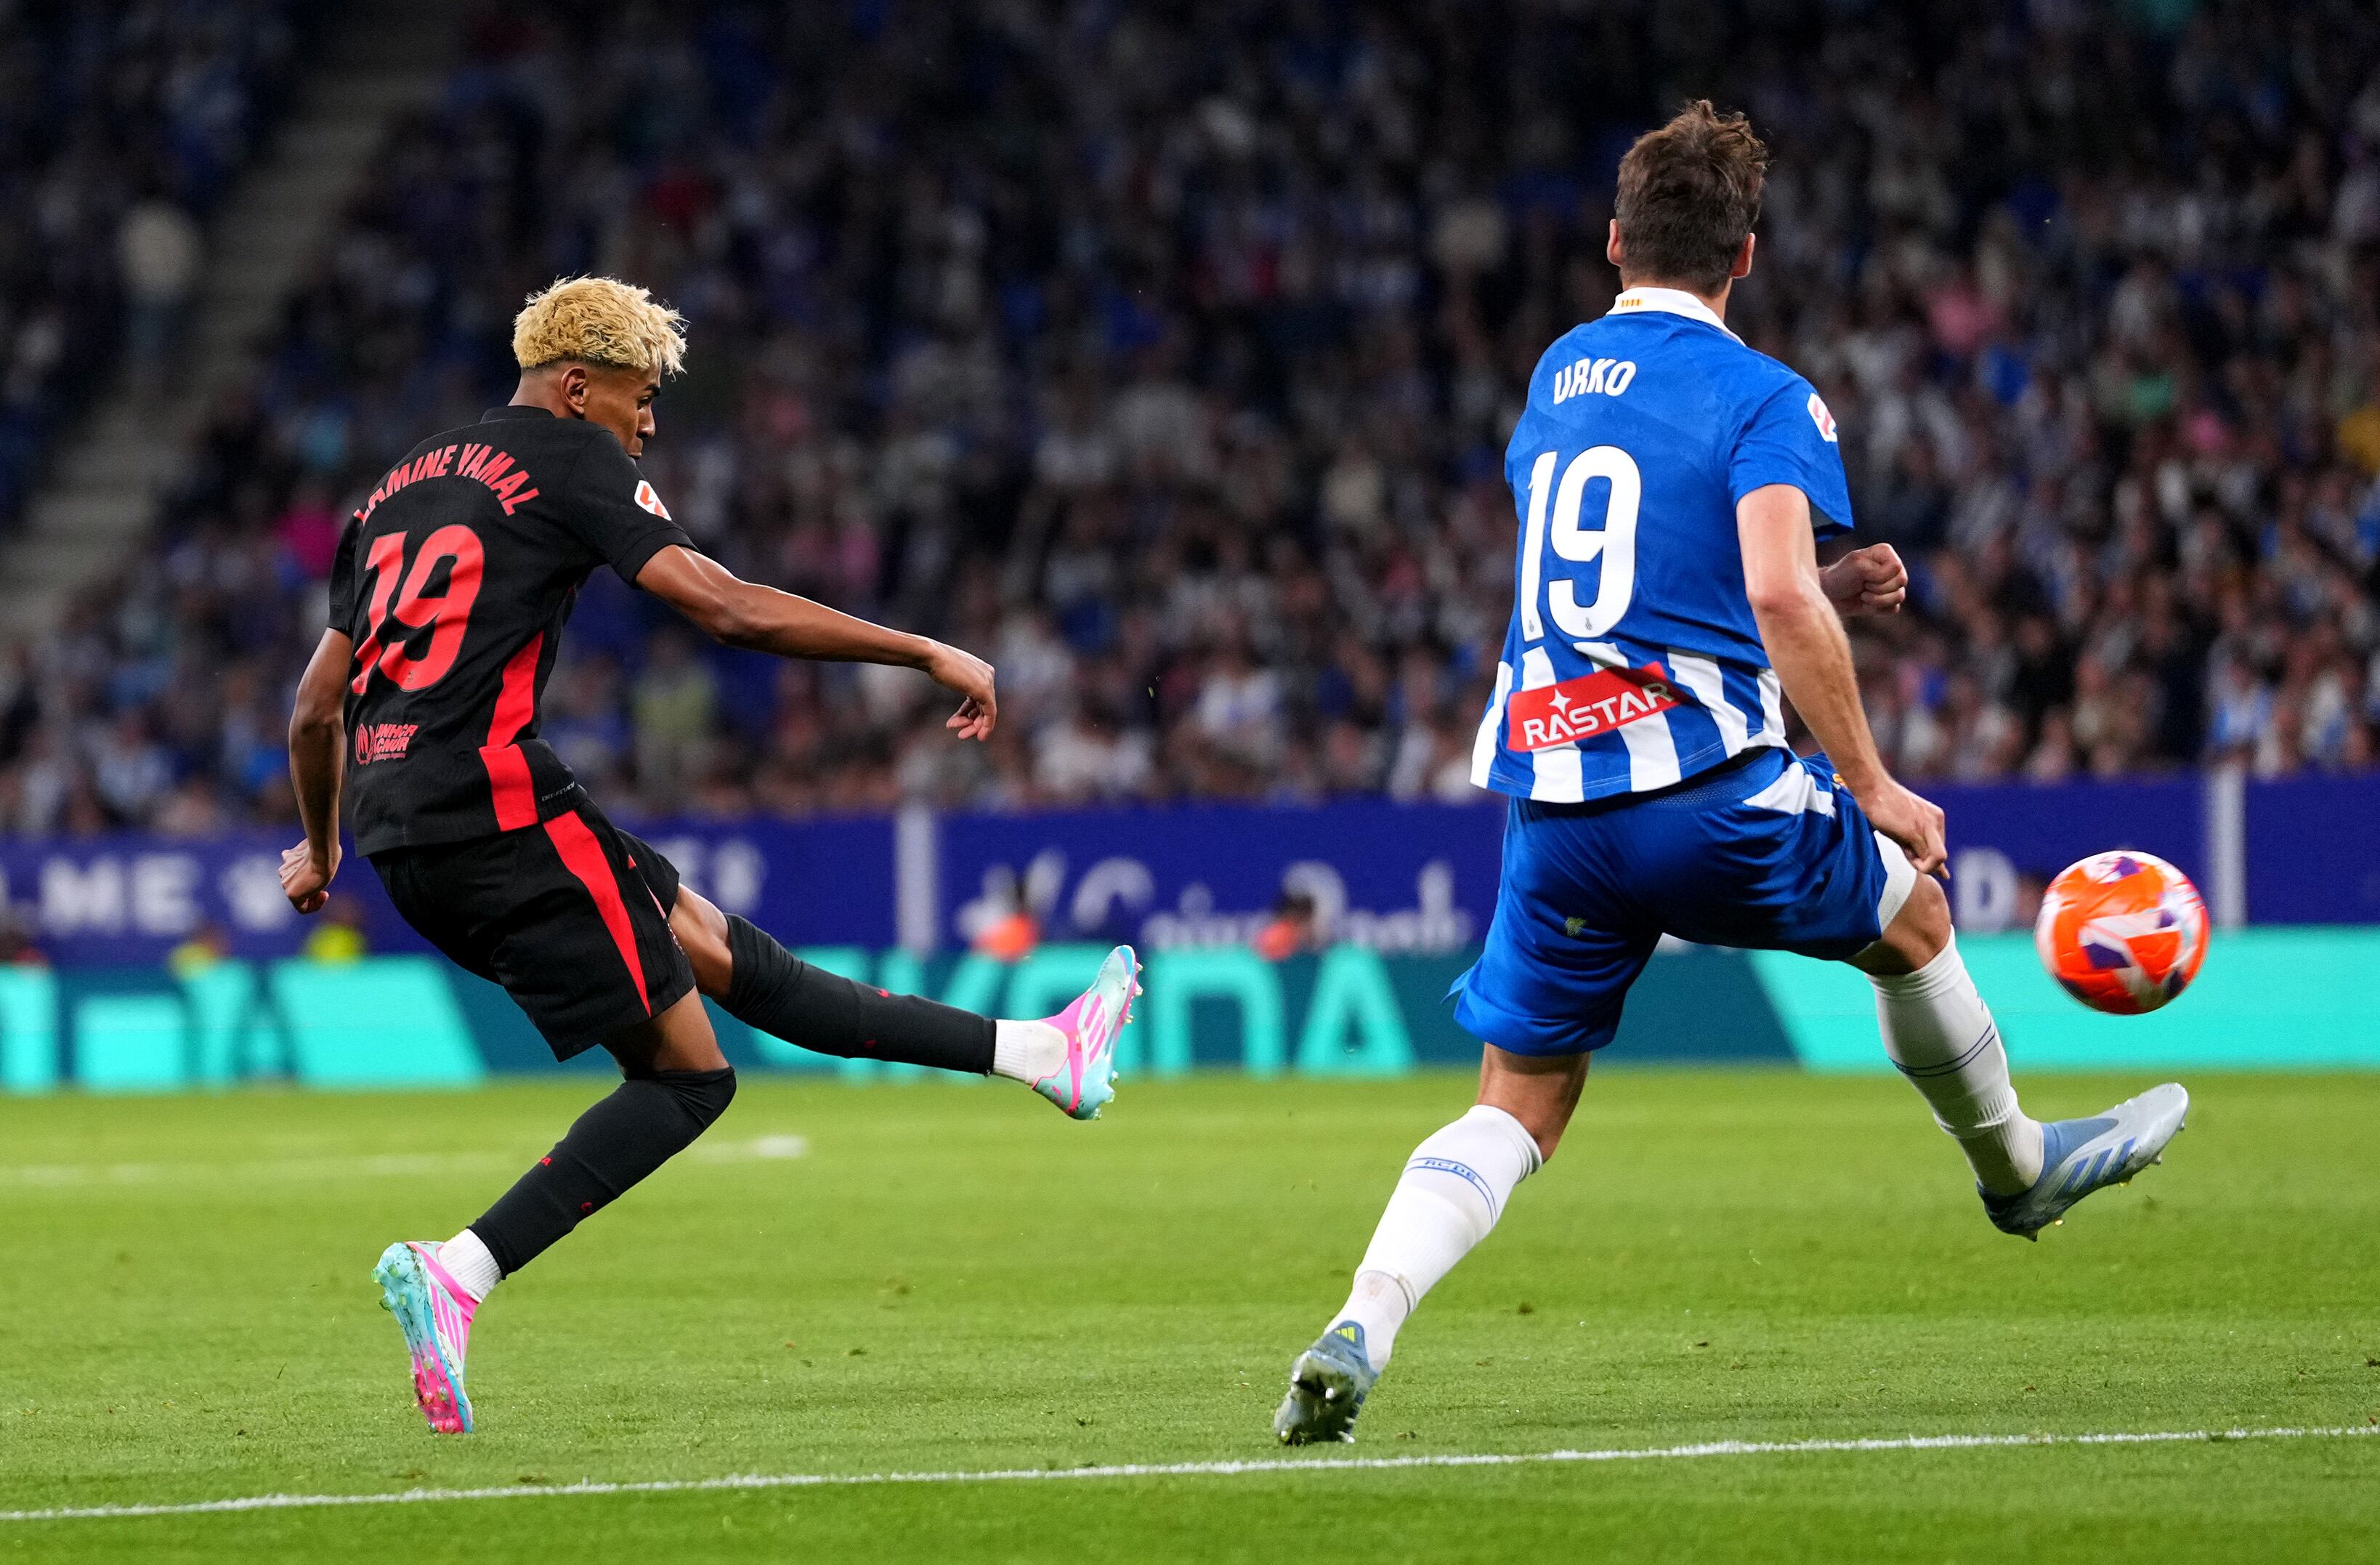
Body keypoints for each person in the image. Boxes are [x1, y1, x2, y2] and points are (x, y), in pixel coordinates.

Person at [1271, 105, 2187, 1446]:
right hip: (1703, 795)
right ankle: (2020, 1168)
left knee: (1517, 1098)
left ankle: (1362, 1319)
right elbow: (1762, 591)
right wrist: (1871, 778)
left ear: (1612, 243)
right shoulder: (1770, 397)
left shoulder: (1557, 375)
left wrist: (1820, 589)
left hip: (1559, 802)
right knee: (1916, 918)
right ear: (1745, 256)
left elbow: (1644, 592)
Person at [279, 277, 1139, 1435]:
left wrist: (325, 847)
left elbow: (315, 707)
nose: (649, 426)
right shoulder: (567, 454)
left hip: (407, 828)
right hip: (496, 805)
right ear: (578, 384)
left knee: (732, 959)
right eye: (640, 399)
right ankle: (460, 1270)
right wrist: (926, 649)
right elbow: (726, 608)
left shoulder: (391, 491)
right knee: (690, 1075)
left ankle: (1043, 1052)